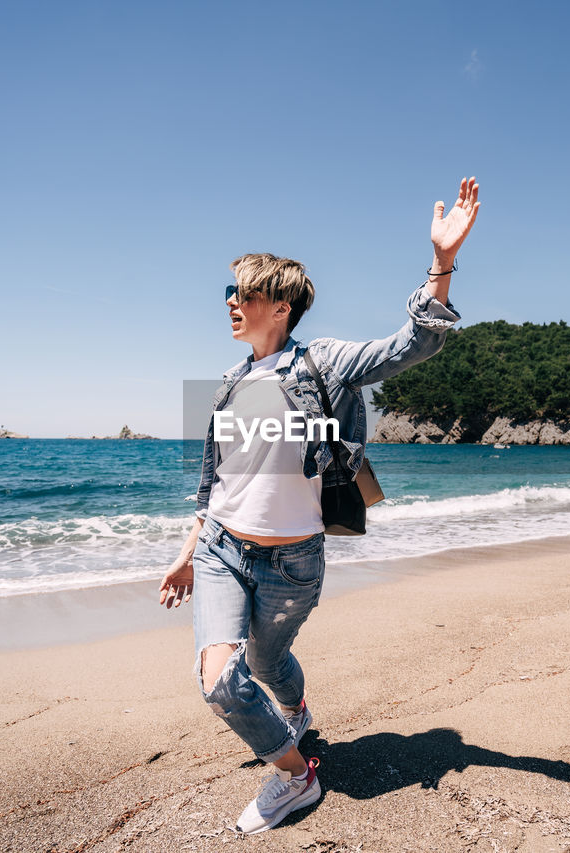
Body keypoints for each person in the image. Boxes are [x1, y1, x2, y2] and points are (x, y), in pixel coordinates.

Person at [159, 177, 480, 834]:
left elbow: (408, 346)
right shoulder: (226, 385)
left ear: (278, 305)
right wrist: (188, 552)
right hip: (221, 548)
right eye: (228, 292)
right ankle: (296, 773)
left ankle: (295, 718)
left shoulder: (322, 364)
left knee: (268, 663)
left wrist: (441, 264)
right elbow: (212, 484)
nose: (229, 303)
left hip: (290, 563)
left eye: (241, 293)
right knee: (221, 681)